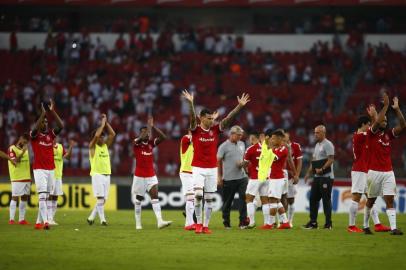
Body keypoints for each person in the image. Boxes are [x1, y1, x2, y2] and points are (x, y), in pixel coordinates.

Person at [182, 90, 250, 234]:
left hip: (212, 168)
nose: (211, 120)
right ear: (201, 118)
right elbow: (192, 119)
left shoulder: (215, 129)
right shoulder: (195, 130)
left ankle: (206, 226)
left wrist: (239, 107)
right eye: (208, 118)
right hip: (198, 167)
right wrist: (191, 103)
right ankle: (198, 224)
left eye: (212, 118)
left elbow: (228, 119)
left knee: (209, 199)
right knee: (199, 195)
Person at [363, 93, 405, 235]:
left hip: (388, 172)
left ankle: (393, 228)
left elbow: (403, 125)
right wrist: (385, 106)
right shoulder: (371, 133)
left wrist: (397, 109)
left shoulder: (388, 135)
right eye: (383, 120)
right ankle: (365, 226)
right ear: (377, 122)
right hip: (374, 172)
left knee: (389, 200)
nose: (385, 121)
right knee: (371, 201)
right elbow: (377, 120)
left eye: (387, 120)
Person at [348, 113, 390, 233]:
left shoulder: (361, 136)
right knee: (356, 197)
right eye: (368, 124)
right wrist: (375, 116)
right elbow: (375, 128)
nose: (369, 126)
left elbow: (374, 130)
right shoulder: (360, 136)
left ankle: (377, 224)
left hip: (365, 170)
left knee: (371, 197)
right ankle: (351, 226)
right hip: (359, 170)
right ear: (363, 125)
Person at [132, 116, 172, 230]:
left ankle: (160, 221)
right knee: (139, 199)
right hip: (139, 176)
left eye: (147, 132)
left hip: (151, 175)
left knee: (155, 197)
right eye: (143, 132)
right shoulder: (136, 143)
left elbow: (163, 137)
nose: (146, 134)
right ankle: (138, 224)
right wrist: (149, 127)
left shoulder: (151, 144)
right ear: (140, 134)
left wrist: (153, 126)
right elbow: (142, 137)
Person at [31, 100, 64, 230]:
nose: (45, 123)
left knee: (46, 197)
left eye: (46, 122)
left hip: (51, 170)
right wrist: (43, 113)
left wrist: (52, 111)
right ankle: (45, 222)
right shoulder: (34, 135)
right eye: (43, 122)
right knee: (43, 196)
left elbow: (61, 125)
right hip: (39, 170)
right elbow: (34, 129)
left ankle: (39, 221)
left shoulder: (51, 135)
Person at [303, 125, 335, 230]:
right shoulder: (317, 145)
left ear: (323, 133)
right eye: (314, 132)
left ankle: (328, 224)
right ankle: (313, 222)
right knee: (313, 199)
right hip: (317, 177)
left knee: (326, 200)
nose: (315, 134)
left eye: (317, 133)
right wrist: (308, 174)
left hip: (326, 177)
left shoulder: (328, 144)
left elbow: (331, 159)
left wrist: (322, 168)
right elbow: (314, 161)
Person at [217, 125, 248, 229]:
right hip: (229, 178)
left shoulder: (242, 144)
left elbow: (243, 158)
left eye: (241, 135)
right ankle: (226, 222)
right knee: (227, 202)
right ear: (232, 134)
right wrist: (219, 176)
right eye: (238, 135)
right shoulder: (223, 146)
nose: (240, 137)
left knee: (244, 198)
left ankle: (243, 222)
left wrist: (244, 165)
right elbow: (218, 161)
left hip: (242, 177)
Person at [87, 114, 115, 226]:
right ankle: (103, 220)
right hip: (97, 174)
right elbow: (97, 134)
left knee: (103, 200)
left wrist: (106, 123)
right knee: (100, 198)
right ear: (96, 138)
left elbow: (113, 134)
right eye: (101, 136)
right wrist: (102, 124)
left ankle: (91, 217)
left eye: (103, 136)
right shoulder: (92, 147)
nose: (103, 137)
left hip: (107, 175)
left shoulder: (105, 146)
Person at [243, 131, 270, 229]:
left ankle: (252, 222)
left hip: (255, 177)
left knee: (249, 199)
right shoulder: (267, 148)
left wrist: (245, 168)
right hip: (266, 177)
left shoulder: (251, 149)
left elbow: (245, 163)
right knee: (265, 201)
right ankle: (267, 223)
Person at [268, 129, 294, 229]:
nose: (272, 140)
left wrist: (269, 148)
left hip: (277, 178)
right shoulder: (276, 149)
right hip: (274, 177)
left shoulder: (283, 149)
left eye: (274, 138)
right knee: (276, 201)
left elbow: (273, 158)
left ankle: (269, 224)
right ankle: (285, 222)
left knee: (273, 200)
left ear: (279, 139)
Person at [47, 139, 75, 225]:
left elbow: (68, 157)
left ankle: (51, 218)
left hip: (58, 176)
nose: (54, 138)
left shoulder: (60, 147)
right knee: (50, 196)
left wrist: (70, 147)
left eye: (55, 137)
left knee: (55, 197)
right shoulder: (47, 147)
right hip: (50, 174)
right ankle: (48, 218)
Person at [7, 134, 30, 225]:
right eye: (24, 141)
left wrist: (29, 177)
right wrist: (22, 152)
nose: (24, 143)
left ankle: (21, 219)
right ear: (20, 138)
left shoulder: (26, 150)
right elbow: (15, 161)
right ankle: (11, 219)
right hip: (17, 177)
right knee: (15, 197)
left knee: (24, 198)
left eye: (26, 142)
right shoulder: (12, 148)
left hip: (26, 177)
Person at [285, 131, 303, 227]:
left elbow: (299, 162)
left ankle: (290, 220)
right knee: (280, 199)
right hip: (281, 176)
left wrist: (297, 175)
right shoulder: (279, 146)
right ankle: (282, 221)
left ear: (289, 136)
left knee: (290, 200)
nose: (283, 137)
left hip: (291, 177)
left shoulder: (296, 146)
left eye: (285, 135)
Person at [179, 130, 196, 231]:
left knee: (194, 199)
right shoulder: (186, 138)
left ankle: (189, 222)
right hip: (186, 172)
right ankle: (189, 223)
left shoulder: (196, 144)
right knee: (191, 198)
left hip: (195, 173)